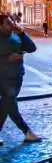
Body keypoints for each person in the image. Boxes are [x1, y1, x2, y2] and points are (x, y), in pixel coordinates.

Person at [0, 15, 41, 145]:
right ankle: (27, 132)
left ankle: (27, 133)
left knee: (7, 105)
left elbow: (32, 48)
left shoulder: (17, 35)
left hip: (17, 75)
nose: (12, 24)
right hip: (3, 77)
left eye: (12, 21)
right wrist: (7, 59)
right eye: (8, 23)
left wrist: (22, 34)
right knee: (9, 104)